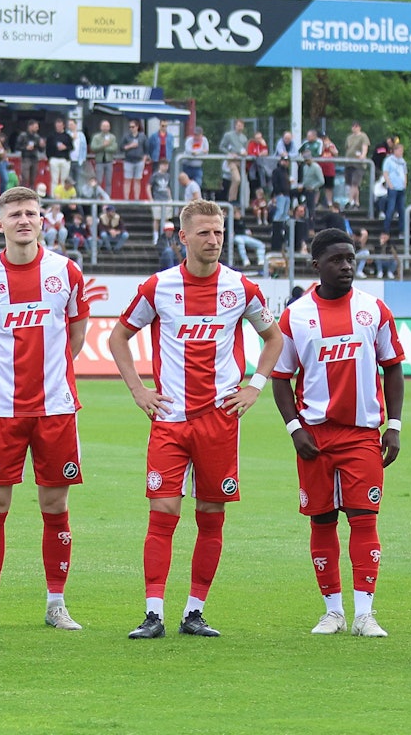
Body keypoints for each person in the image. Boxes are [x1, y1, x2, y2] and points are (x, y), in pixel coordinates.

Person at [108, 200, 284, 640]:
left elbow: (273, 338)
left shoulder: (241, 289)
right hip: (170, 420)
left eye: (219, 232)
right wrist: (138, 390)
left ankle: (194, 612)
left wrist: (255, 385)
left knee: (211, 515)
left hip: (219, 421)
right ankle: (153, 614)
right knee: (162, 513)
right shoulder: (159, 287)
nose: (214, 241)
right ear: (182, 237)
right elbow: (119, 336)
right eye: (204, 233)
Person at [0, 186, 89, 632]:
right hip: (1, 411)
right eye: (14, 214)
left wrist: (51, 377)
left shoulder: (66, 272)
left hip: (55, 409)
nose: (23, 220)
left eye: (31, 213)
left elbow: (76, 334)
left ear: (42, 220)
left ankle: (57, 604)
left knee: (55, 505)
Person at [271, 228, 404, 638]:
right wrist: (295, 429)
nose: (347, 266)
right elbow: (280, 377)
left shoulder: (374, 310)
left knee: (364, 519)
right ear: (317, 266)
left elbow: (393, 368)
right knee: (322, 521)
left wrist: (394, 426)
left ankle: (365, 613)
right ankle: (333, 611)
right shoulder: (295, 316)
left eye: (350, 258)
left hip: (362, 434)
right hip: (314, 437)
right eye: (337, 260)